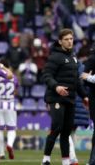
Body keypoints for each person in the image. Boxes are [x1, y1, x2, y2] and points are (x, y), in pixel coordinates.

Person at [41, 28, 89, 165]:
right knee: (56, 128)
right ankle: (46, 159)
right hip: (56, 98)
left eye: (71, 39)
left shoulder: (73, 57)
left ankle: (66, 161)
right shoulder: (55, 57)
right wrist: (56, 86)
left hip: (70, 99)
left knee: (66, 132)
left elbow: (76, 80)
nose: (69, 42)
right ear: (60, 41)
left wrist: (84, 96)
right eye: (66, 39)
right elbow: (46, 75)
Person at [0, 59, 18, 160]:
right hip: (10, 103)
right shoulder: (14, 77)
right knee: (11, 128)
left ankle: (1, 153)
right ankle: (9, 144)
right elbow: (15, 91)